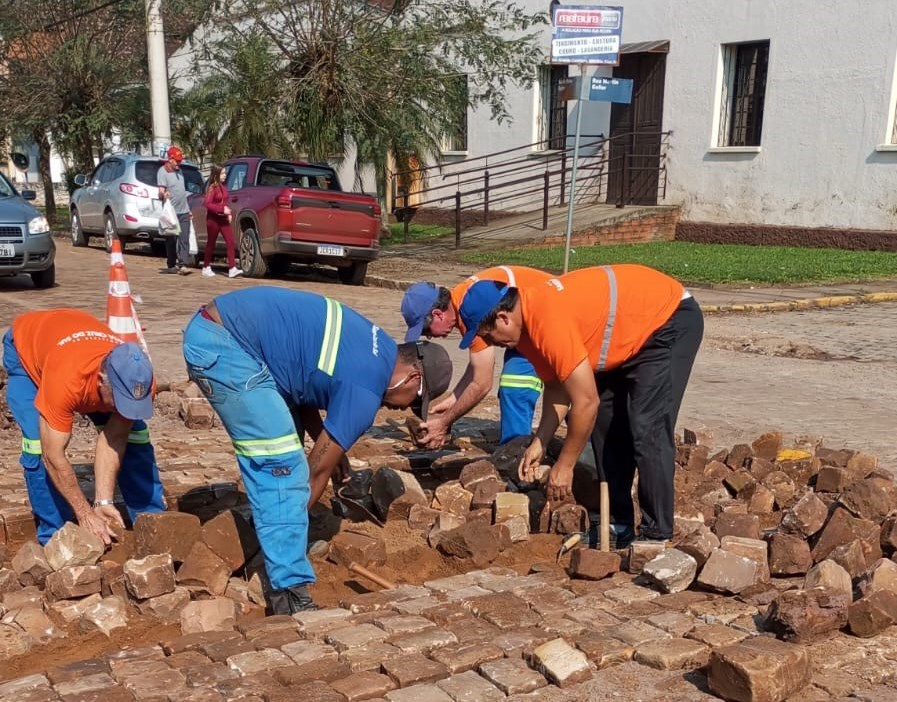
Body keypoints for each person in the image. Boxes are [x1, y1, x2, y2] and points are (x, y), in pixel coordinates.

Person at [182, 287, 453, 613]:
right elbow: (314, 473)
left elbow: (303, 388)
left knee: (288, 443)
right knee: (282, 464)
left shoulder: (376, 347)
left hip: (226, 331)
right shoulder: (367, 389)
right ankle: (287, 590)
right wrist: (297, 513)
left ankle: (270, 534)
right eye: (414, 401)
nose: (404, 411)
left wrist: (332, 447)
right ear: (412, 376)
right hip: (226, 346)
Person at [457, 264, 703, 547]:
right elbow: (557, 387)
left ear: (503, 318)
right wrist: (540, 441)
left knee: (647, 424)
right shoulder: (523, 333)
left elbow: (586, 401)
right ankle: (617, 524)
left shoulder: (546, 320)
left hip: (667, 320)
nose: (491, 344)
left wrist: (565, 464)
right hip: (629, 333)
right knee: (604, 423)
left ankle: (657, 533)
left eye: (488, 336)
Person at [2, 310, 166, 545]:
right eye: (120, 401)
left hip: (71, 336)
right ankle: (57, 538)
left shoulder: (139, 379)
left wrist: (103, 502)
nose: (125, 409)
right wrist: (85, 513)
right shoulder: (67, 381)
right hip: (26, 348)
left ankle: (153, 522)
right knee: (38, 445)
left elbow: (115, 439)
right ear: (101, 380)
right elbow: (53, 457)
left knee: (135, 437)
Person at [401, 266, 549, 448]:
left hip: (545, 321)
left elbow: (482, 383)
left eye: (426, 331)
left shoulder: (475, 309)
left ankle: (514, 454)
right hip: (526, 326)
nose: (430, 337)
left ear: (437, 315)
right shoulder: (463, 300)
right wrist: (455, 398)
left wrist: (444, 422)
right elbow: (478, 364)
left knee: (515, 386)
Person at [201, 164, 242, 279]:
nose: (225, 175)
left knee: (230, 241)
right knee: (211, 243)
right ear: (216, 175)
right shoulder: (212, 188)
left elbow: (224, 202)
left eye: (225, 173)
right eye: (222, 173)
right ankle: (206, 266)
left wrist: (228, 213)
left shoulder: (223, 187)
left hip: (223, 219)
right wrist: (221, 209)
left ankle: (232, 268)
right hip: (213, 219)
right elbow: (207, 204)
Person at [157, 145, 192, 275]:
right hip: (171, 213)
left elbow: (182, 192)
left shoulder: (180, 171)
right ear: (170, 159)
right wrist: (163, 194)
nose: (179, 163)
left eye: (180, 160)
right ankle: (171, 264)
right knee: (171, 240)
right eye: (177, 161)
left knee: (184, 238)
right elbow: (160, 191)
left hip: (184, 211)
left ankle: (183, 264)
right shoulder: (162, 171)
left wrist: (189, 209)